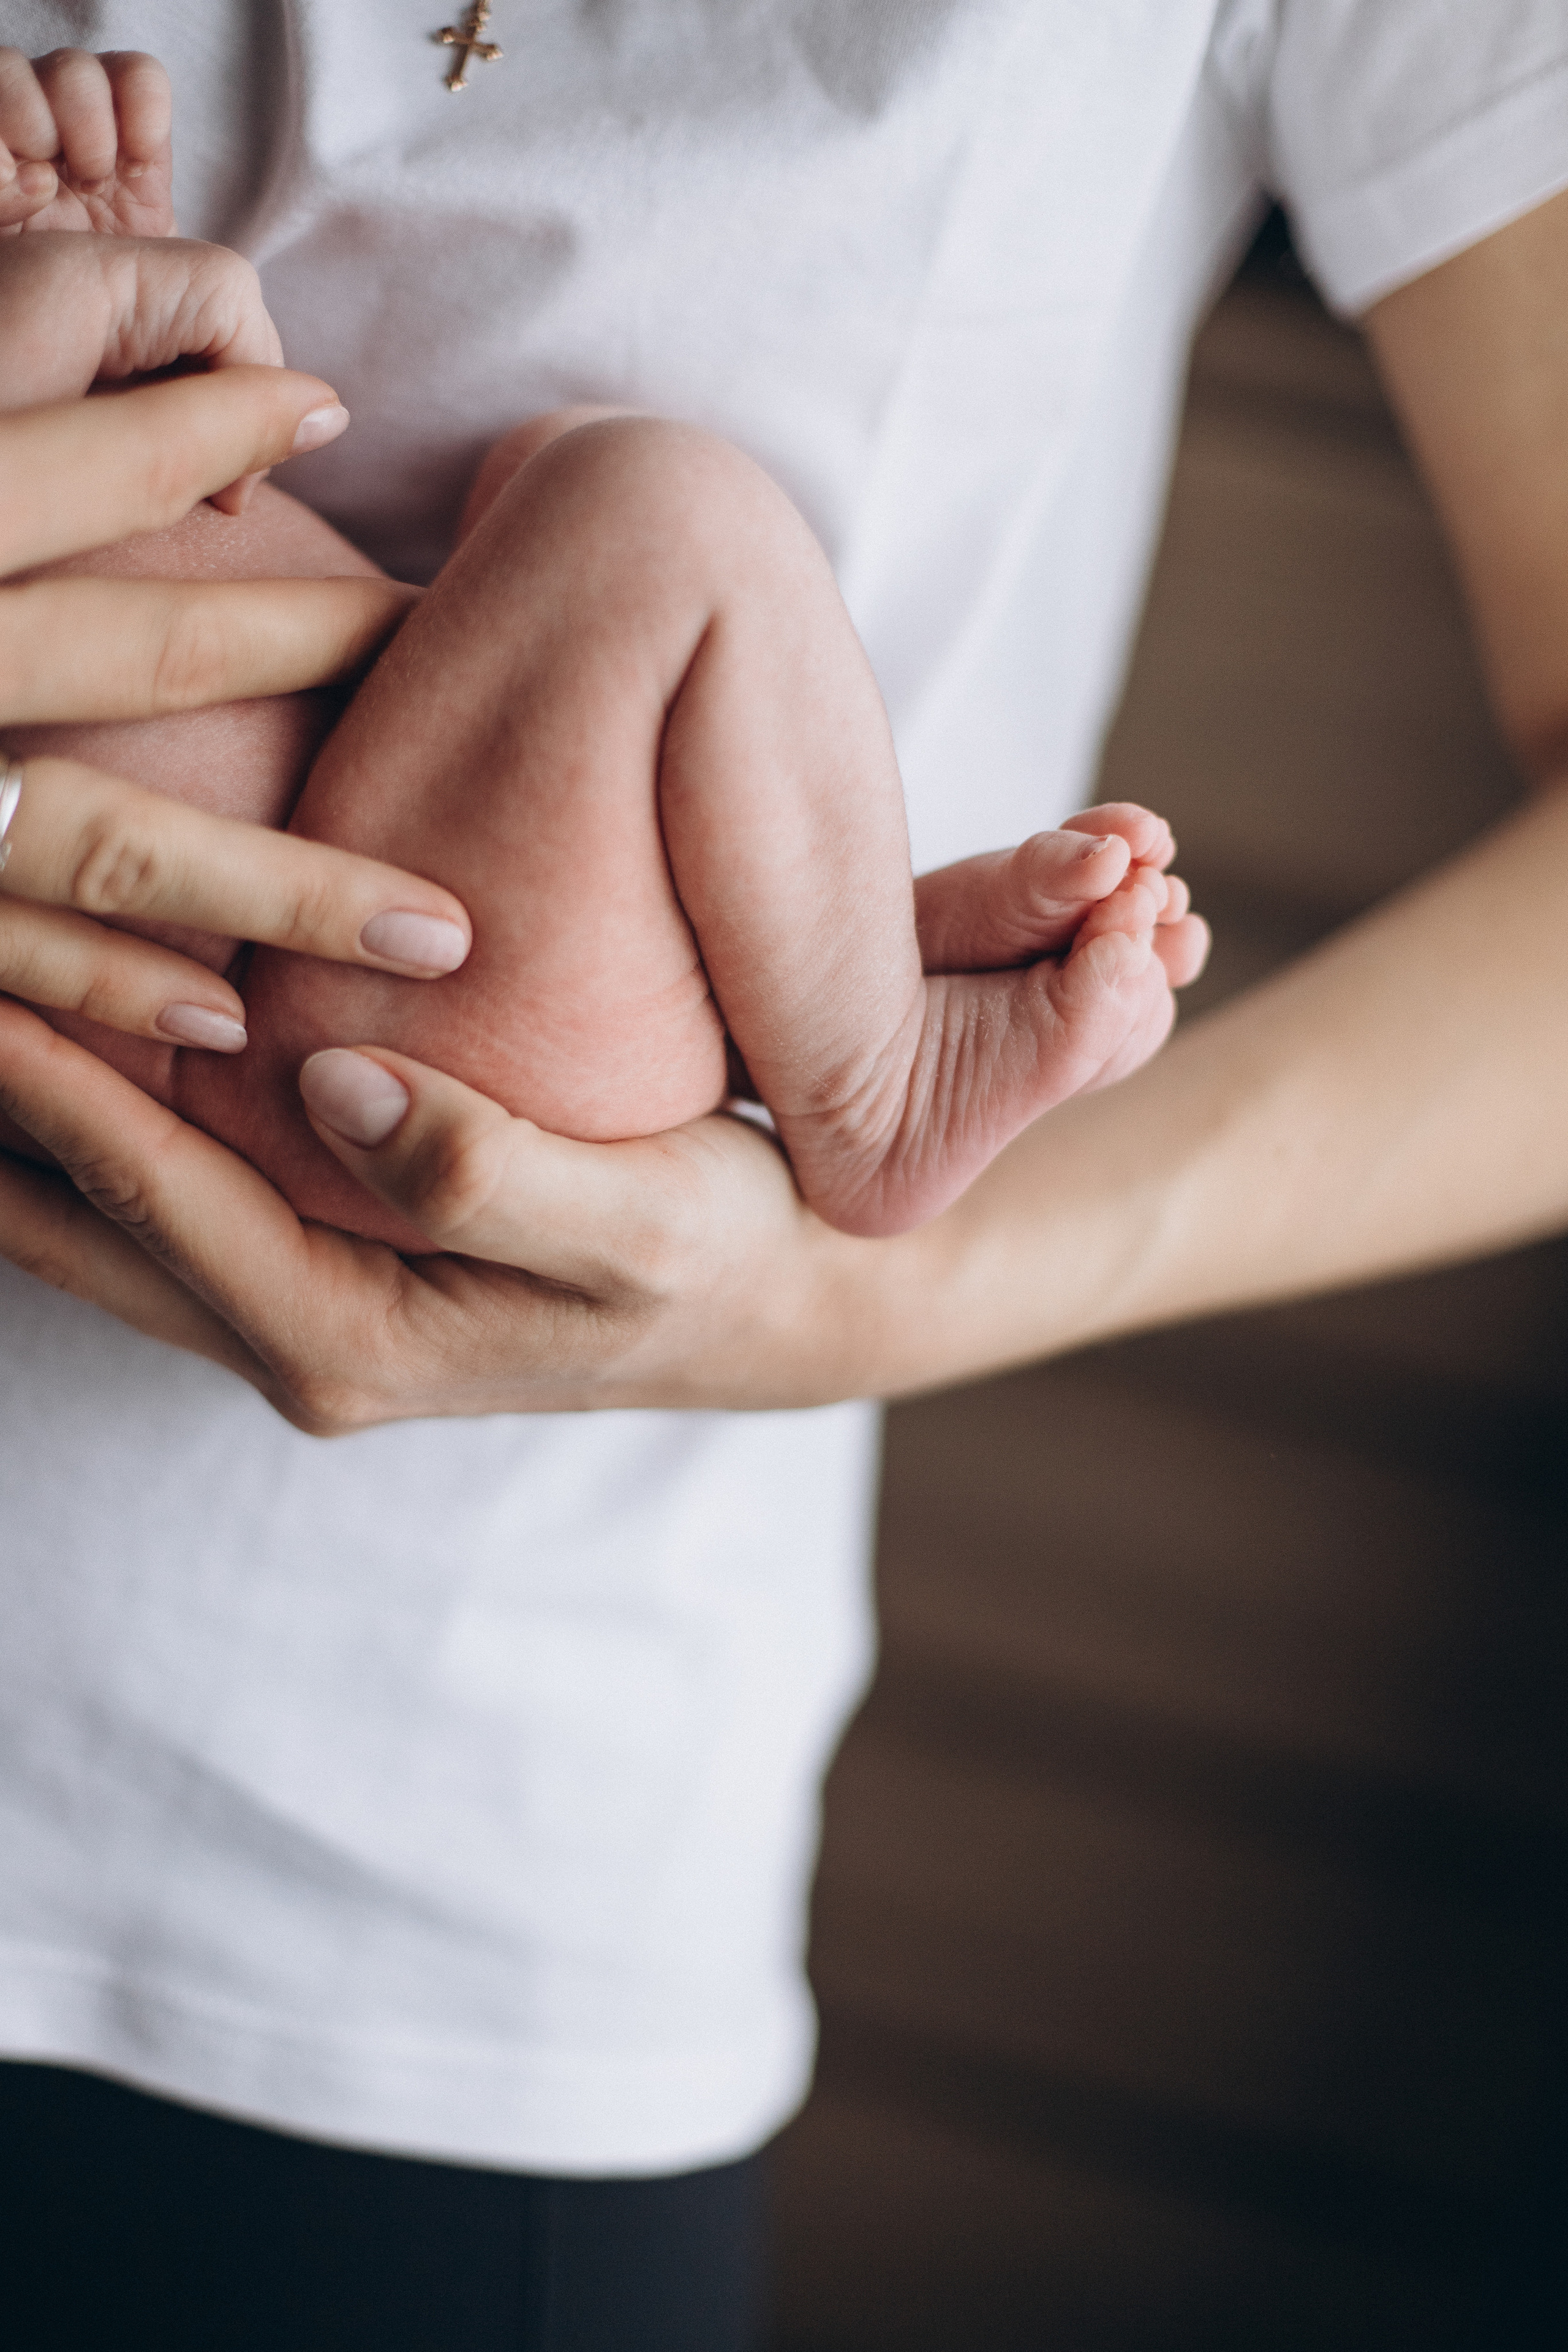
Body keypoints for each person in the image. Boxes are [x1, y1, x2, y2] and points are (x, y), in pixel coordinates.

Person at [1, 6, 1566, 2346]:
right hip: (386, 1001)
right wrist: (106, 268)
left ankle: (844, 1038)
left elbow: (203, 400)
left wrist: (873, 1308)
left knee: (629, 520)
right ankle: (849, 1025)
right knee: (646, 515)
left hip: (391, 1852)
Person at [2, 47, 1204, 1243]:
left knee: (552, 477)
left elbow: (177, 497)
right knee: (655, 516)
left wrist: (97, 323)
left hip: (334, 988)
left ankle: (809, 971)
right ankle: (865, 1080)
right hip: (312, 1007)